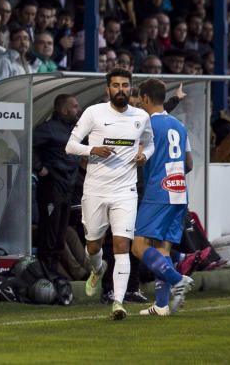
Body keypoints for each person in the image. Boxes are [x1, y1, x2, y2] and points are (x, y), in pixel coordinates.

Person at [65, 68, 154, 320]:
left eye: (125, 85)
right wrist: (93, 149)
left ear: (131, 88)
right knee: (93, 245)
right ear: (108, 89)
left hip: (126, 191)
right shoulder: (93, 113)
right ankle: (97, 269)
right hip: (95, 190)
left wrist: (143, 155)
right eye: (116, 85)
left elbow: (150, 143)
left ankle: (118, 301)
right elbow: (70, 145)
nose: (121, 90)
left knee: (121, 245)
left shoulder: (141, 117)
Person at [132, 79, 195, 316]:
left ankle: (177, 279)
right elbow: (188, 163)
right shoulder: (178, 125)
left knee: (139, 247)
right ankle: (161, 304)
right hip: (179, 190)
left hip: (158, 191)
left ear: (146, 98)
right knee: (162, 248)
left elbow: (138, 156)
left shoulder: (145, 125)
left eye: (139, 99)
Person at [32, 94, 81, 273]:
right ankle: (45, 273)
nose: (78, 109)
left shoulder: (73, 130)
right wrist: (39, 167)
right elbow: (27, 145)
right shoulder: (48, 129)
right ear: (63, 109)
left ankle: (55, 274)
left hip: (67, 188)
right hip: (51, 188)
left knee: (60, 235)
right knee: (49, 234)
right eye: (74, 106)